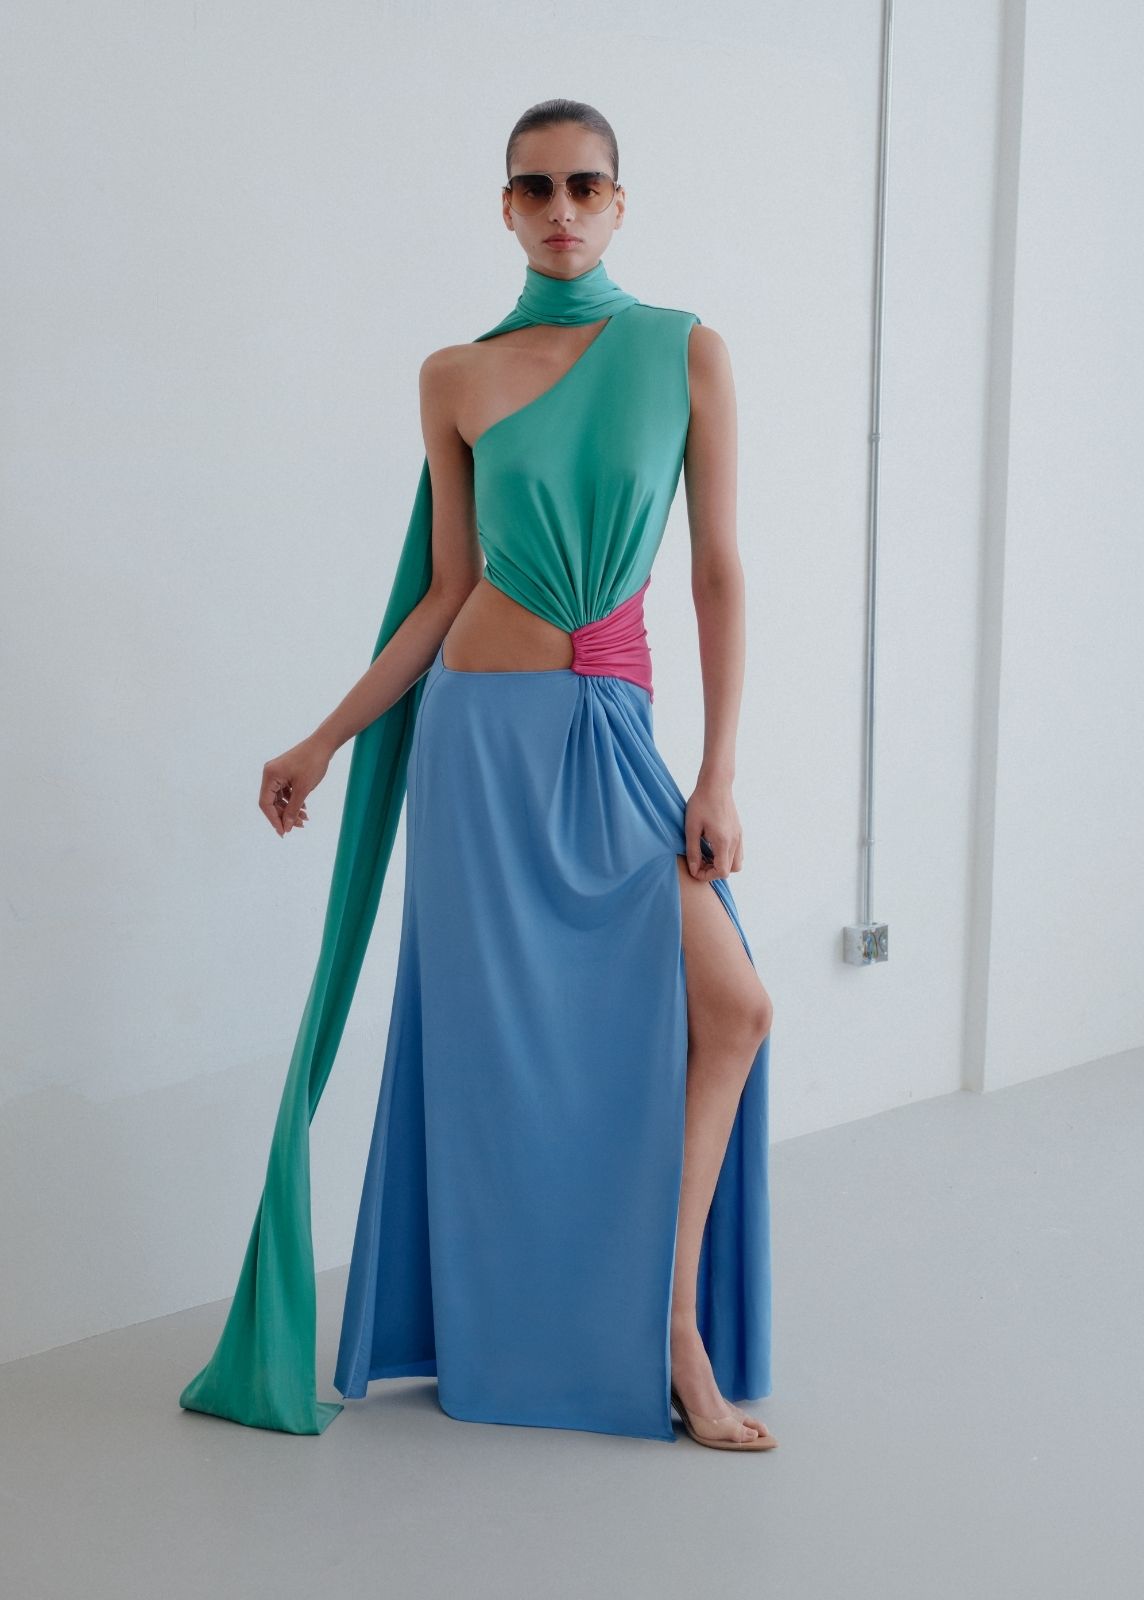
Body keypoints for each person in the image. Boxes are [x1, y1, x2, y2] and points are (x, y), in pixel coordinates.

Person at [179, 98, 777, 1453]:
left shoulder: (683, 350)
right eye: (535, 188)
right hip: (477, 756)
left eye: (585, 185)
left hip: (609, 736)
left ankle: (672, 1326)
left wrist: (719, 772)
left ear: (620, 202)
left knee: (733, 1008)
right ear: (505, 207)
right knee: (503, 1061)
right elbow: (446, 591)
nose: (561, 209)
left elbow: (717, 573)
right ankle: (534, 1336)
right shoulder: (456, 375)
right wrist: (326, 737)